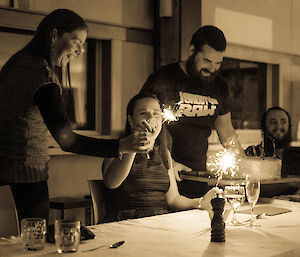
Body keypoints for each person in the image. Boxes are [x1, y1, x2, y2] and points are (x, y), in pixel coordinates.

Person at [0, 9, 152, 223]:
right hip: (25, 175)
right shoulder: (42, 77)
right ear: (54, 35)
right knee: (33, 246)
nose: (80, 51)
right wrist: (121, 146)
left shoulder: (18, 62)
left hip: (6, 171)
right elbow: (67, 141)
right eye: (76, 42)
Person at [140, 25, 243, 197]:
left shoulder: (220, 87)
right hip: (162, 175)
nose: (212, 69)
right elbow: (141, 125)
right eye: (207, 62)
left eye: (218, 63)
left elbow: (227, 132)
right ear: (191, 50)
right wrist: (168, 164)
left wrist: (245, 166)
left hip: (198, 177)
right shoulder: (164, 78)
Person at [102, 93, 225, 221]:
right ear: (131, 120)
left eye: (156, 114)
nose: (151, 118)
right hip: (127, 224)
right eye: (143, 113)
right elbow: (111, 182)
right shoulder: (118, 147)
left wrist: (201, 201)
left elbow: (173, 200)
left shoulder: (163, 151)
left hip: (160, 222)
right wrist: (133, 147)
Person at [245, 106, 299, 196]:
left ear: (289, 127)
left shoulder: (297, 156)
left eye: (283, 122)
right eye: (273, 122)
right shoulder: (252, 154)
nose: (278, 127)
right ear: (263, 127)